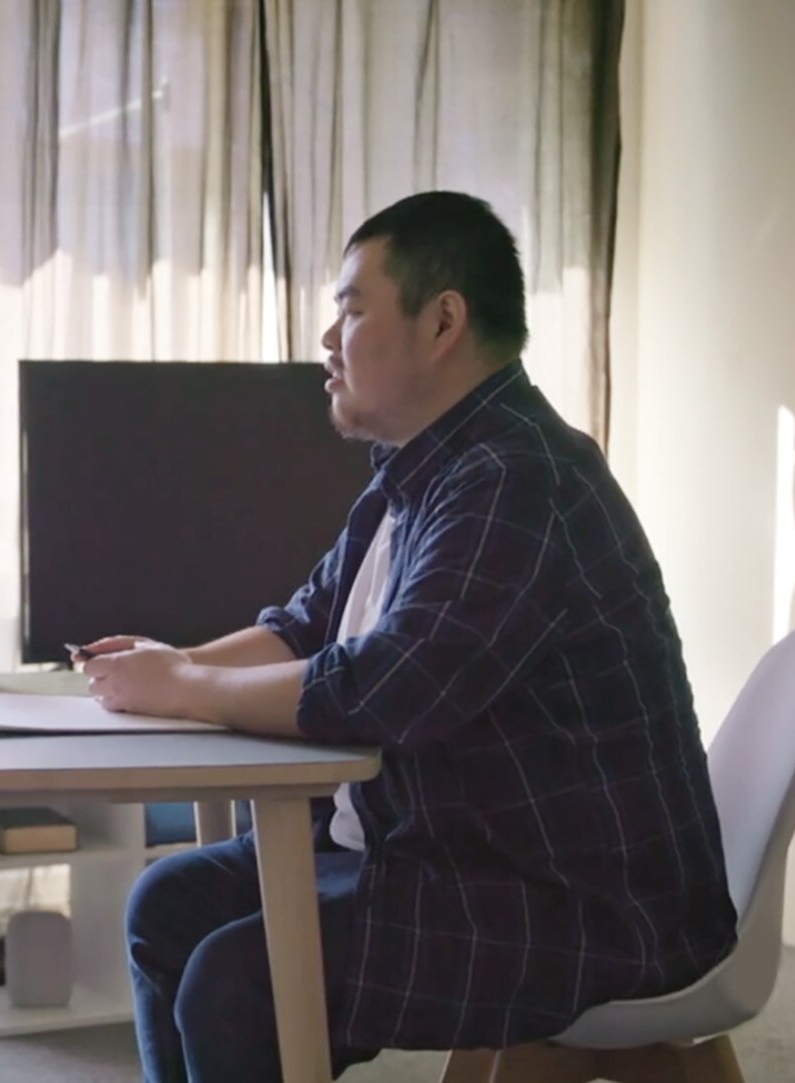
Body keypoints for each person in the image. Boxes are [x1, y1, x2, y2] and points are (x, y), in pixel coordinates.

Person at [77, 191, 737, 1082]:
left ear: (442, 323)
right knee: (169, 902)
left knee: (237, 983)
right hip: (455, 854)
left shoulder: (515, 478)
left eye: (352, 308)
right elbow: (304, 626)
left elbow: (386, 687)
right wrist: (162, 668)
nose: (327, 337)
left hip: (576, 902)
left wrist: (185, 688)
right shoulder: (420, 471)